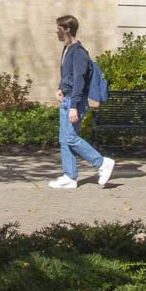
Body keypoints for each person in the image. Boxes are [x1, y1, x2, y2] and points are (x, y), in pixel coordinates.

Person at [50, 13, 114, 189]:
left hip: (75, 101)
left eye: (59, 28)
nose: (56, 31)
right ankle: (70, 177)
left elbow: (80, 79)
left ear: (67, 29)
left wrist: (73, 106)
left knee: (70, 137)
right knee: (64, 139)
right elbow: (68, 75)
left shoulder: (78, 52)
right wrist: (60, 89)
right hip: (67, 98)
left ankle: (102, 163)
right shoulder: (68, 49)